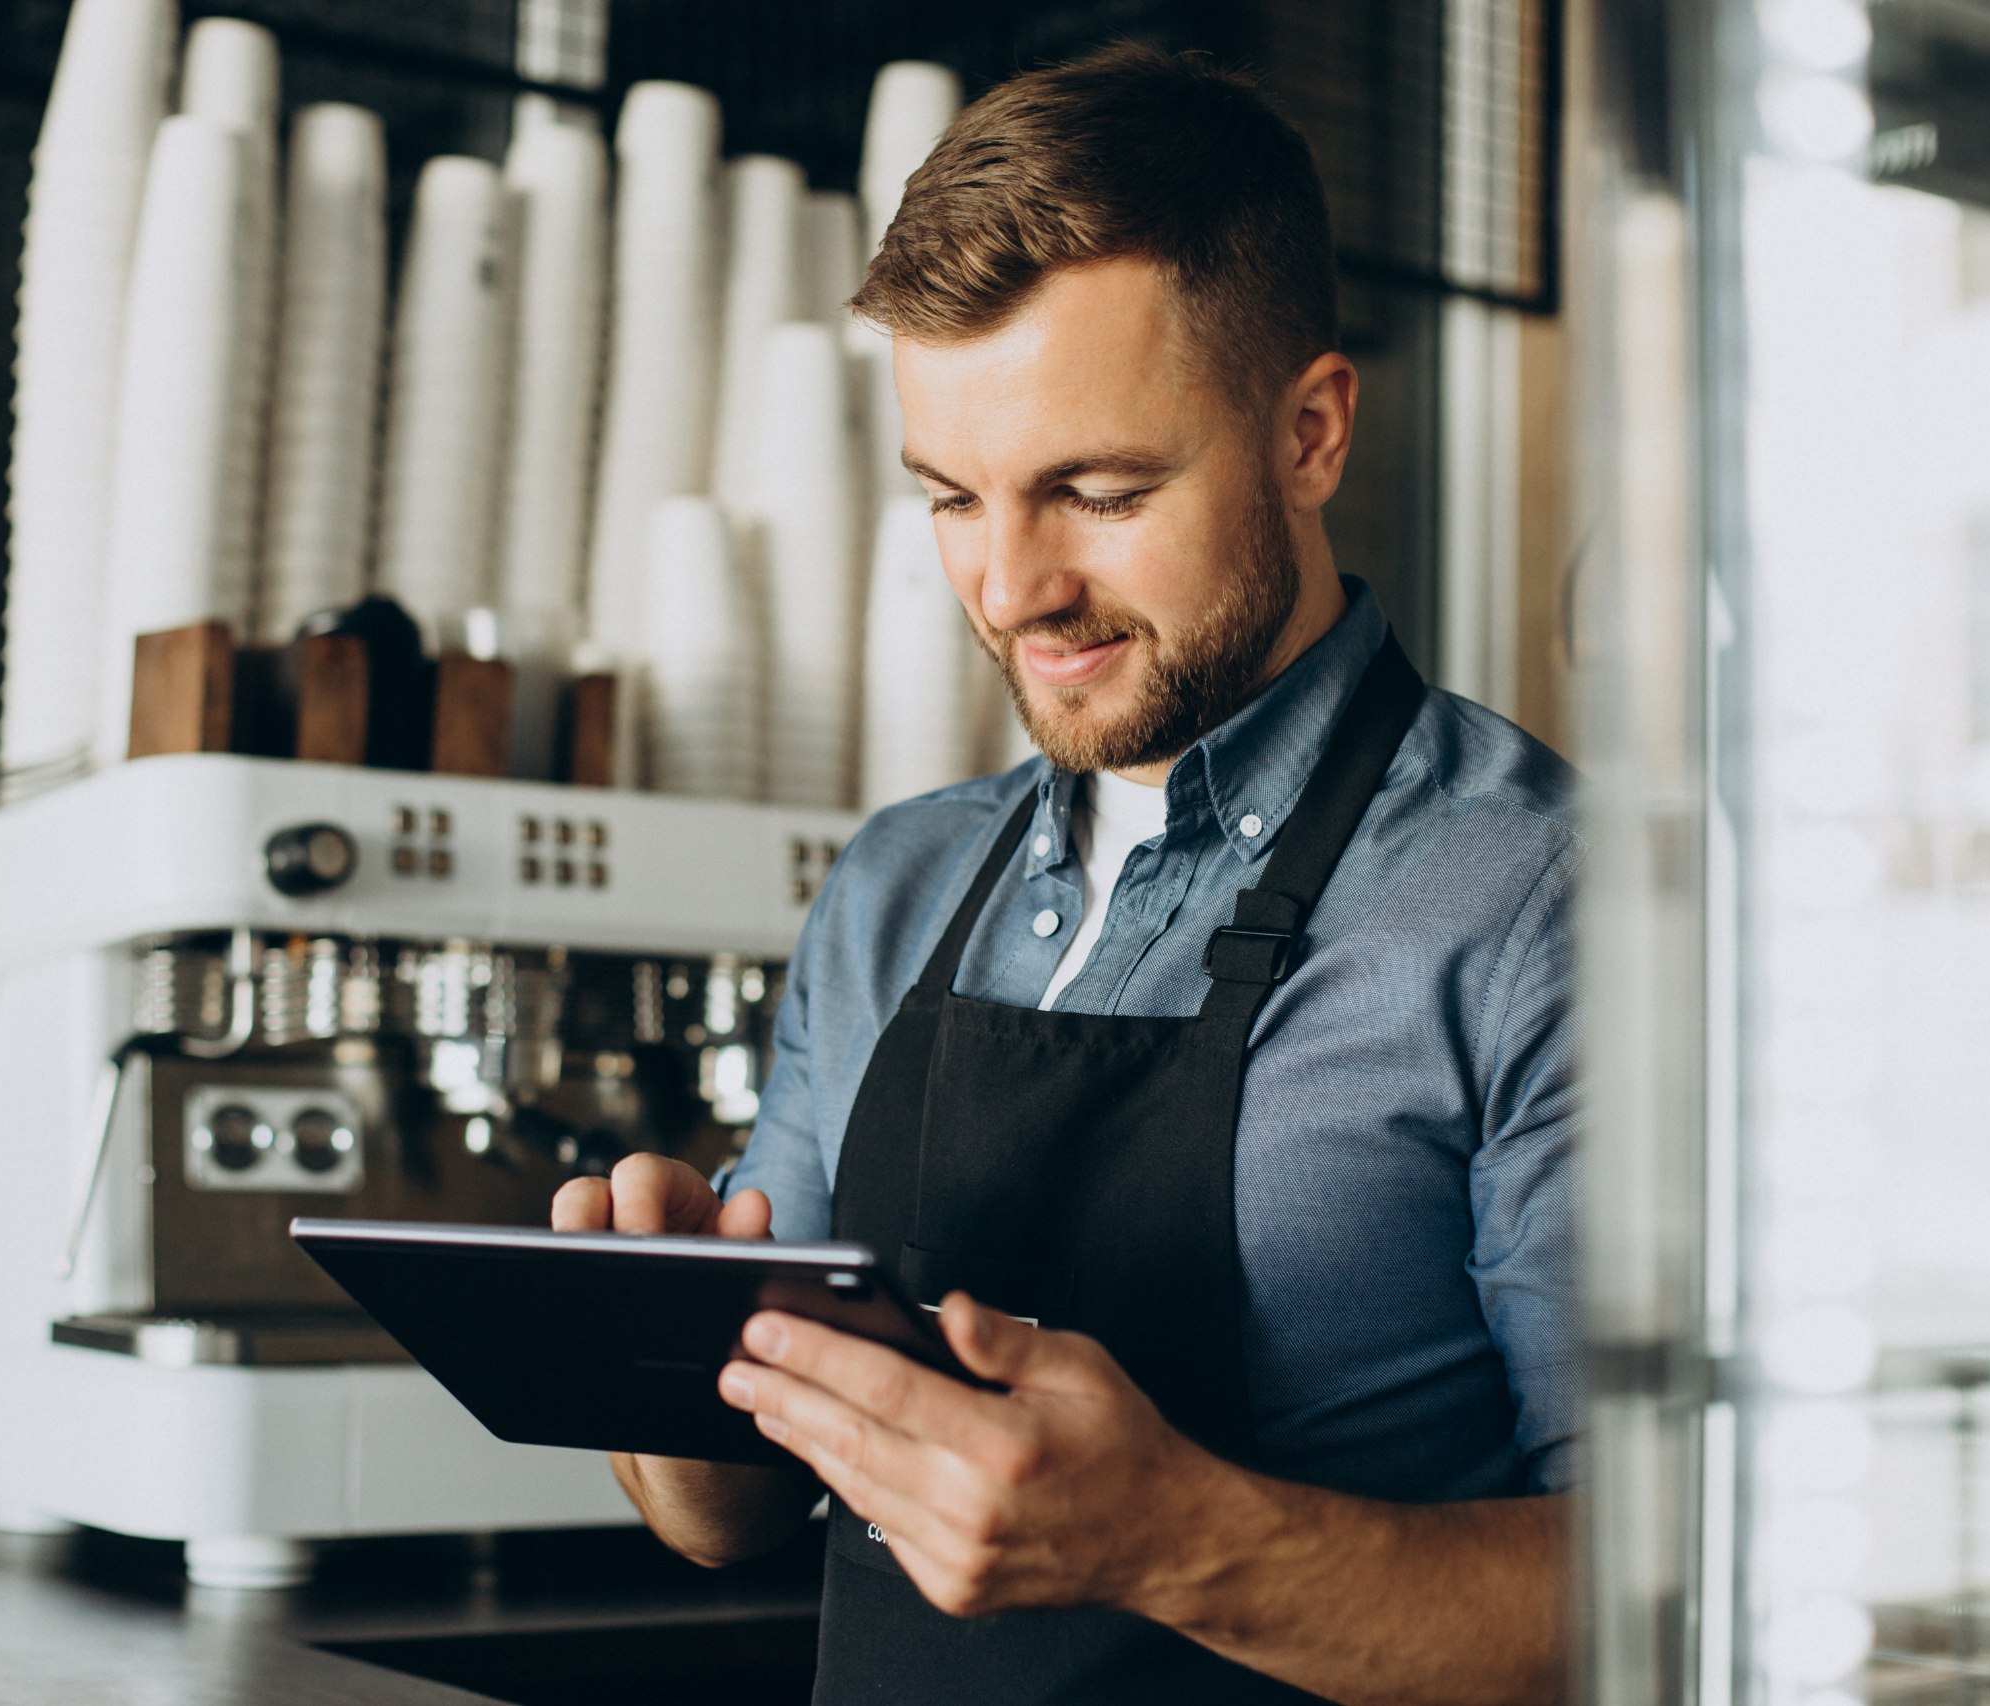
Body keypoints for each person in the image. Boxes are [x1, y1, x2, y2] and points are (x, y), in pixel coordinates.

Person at [554, 43, 1579, 1706]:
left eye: (1099, 492)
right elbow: (734, 1512)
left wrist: (1173, 1543)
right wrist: (657, 1373)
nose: (1016, 585)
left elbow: (1676, 1584)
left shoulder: (1538, 901)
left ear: (1310, 431)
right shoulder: (892, 885)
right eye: (954, 498)